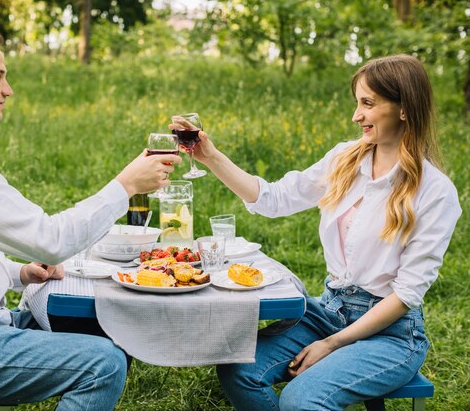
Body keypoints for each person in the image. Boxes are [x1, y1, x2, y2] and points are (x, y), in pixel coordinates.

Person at [0, 24, 180, 410]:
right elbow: (51, 240)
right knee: (102, 364)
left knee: (110, 330)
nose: (7, 90)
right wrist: (125, 186)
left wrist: (19, 273)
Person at [189, 55, 461, 410]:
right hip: (329, 311)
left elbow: (406, 293)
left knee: (302, 399)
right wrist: (209, 156)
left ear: (404, 109)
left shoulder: (435, 191)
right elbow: (274, 198)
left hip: (391, 334)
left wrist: (332, 345)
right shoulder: (345, 159)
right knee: (239, 369)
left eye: (368, 104)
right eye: (357, 103)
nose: (356, 115)